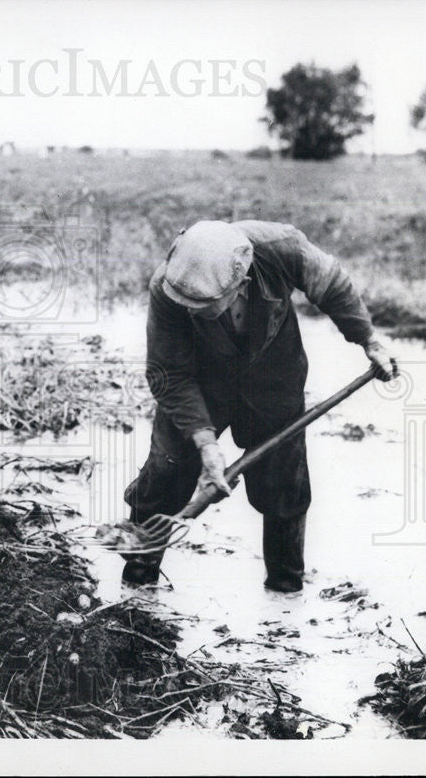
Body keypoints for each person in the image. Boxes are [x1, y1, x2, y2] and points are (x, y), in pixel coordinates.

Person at [122, 220, 398, 591]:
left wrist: (369, 341)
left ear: (242, 285)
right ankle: (137, 586)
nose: (189, 311)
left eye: (201, 307)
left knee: (284, 485)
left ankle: (285, 595)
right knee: (167, 470)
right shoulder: (168, 287)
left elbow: (333, 286)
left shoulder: (283, 249)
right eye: (185, 304)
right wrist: (206, 444)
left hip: (274, 375)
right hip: (199, 382)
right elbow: (168, 372)